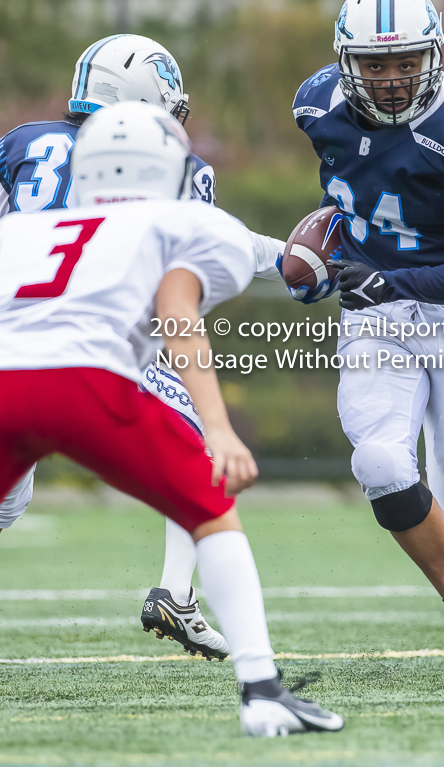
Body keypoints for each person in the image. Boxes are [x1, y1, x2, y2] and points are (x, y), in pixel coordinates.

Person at [0, 101, 343, 737]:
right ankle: (263, 691)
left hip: (4, 380)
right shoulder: (172, 225)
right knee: (210, 510)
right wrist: (215, 428)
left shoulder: (19, 229)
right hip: (87, 380)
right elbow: (180, 326)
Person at [0, 33, 284, 660]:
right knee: (201, 454)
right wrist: (294, 258)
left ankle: (177, 595)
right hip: (94, 351)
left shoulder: (24, 144)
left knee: (9, 499)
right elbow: (210, 248)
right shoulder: (155, 163)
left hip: (11, 344)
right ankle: (216, 636)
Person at [290, 0, 444, 685]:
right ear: (346, 61)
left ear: (435, 55)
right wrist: (327, 255)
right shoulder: (317, 106)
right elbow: (349, 187)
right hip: (376, 316)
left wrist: (394, 281)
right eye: (376, 64)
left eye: (406, 61)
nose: (391, 80)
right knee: (382, 463)